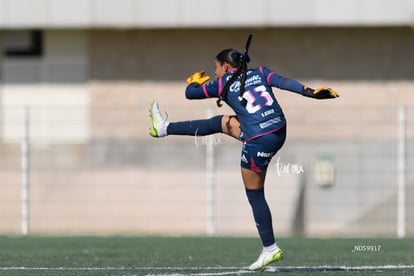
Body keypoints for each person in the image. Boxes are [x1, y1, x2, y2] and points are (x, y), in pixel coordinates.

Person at [148, 43, 339, 270]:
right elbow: (285, 83)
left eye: (216, 67)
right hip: (278, 130)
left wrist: (195, 81)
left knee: (255, 194)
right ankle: (164, 128)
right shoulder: (261, 72)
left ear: (227, 66)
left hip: (259, 139)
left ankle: (270, 249)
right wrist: (311, 92)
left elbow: (190, 94)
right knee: (221, 123)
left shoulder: (222, 84)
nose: (215, 72)